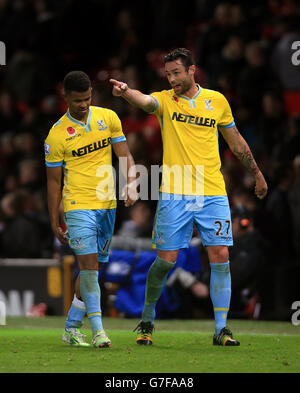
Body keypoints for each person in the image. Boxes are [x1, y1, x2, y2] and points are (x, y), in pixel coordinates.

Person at [110, 48, 268, 346]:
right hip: (175, 192)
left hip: (212, 191)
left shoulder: (216, 101)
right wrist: (127, 92)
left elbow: (236, 142)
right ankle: (146, 320)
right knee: (166, 261)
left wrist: (257, 173)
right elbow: (145, 101)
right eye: (167, 75)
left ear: (192, 70)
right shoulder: (166, 101)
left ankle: (221, 328)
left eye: (176, 73)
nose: (172, 80)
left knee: (221, 256)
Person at [45, 71, 137, 348]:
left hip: (107, 204)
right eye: (77, 101)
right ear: (66, 97)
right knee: (88, 269)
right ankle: (99, 332)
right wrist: (53, 219)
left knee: (93, 269)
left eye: (87, 99)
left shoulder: (108, 118)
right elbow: (52, 182)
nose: (83, 104)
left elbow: (124, 153)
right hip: (77, 205)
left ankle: (72, 327)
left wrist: (132, 182)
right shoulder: (57, 135)